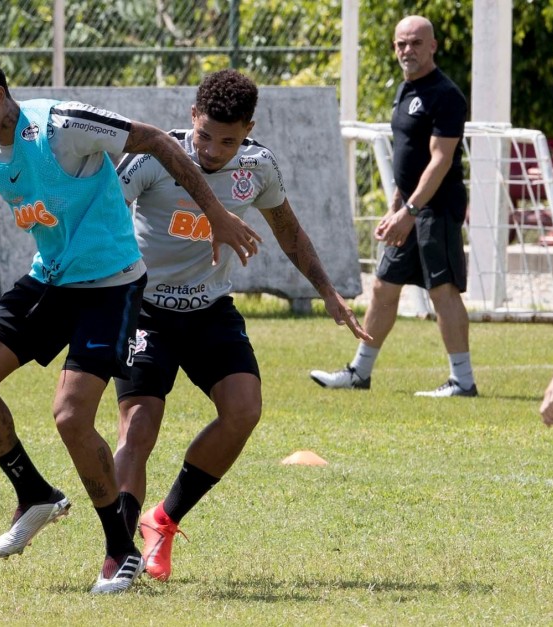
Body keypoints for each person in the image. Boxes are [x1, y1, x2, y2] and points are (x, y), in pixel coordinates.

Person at [0, 55, 261, 594]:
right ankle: (35, 494)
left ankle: (121, 550)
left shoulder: (63, 125)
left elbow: (160, 142)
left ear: (1, 96)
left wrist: (213, 211)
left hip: (113, 286)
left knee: (71, 417)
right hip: (50, 280)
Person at [112, 69, 370, 581]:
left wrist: (327, 291)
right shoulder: (153, 159)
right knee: (139, 428)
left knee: (244, 411)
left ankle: (162, 519)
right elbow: (103, 216)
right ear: (192, 119)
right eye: (205, 135)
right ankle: (119, 555)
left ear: (248, 130)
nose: (213, 150)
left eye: (229, 140)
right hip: (145, 310)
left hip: (210, 309)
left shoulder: (258, 165)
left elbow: (289, 232)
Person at [310, 15, 477, 398]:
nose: (407, 50)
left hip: (437, 209)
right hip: (410, 208)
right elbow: (409, 157)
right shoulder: (404, 90)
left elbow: (440, 160)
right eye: (401, 43)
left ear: (432, 46)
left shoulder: (445, 95)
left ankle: (463, 381)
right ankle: (359, 372)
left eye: (416, 43)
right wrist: (395, 206)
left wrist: (411, 211)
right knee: (384, 287)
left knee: (443, 291)